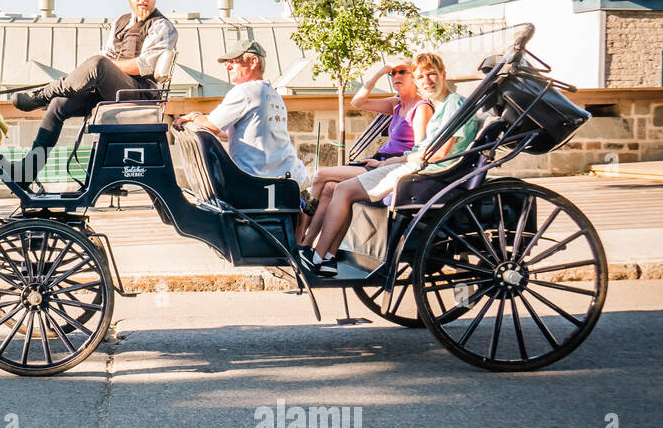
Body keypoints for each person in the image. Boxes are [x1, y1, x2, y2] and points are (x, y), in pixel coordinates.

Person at [302, 51, 479, 276]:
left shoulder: (449, 105)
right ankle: (323, 255)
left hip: (423, 172)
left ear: (443, 74)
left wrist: (397, 160)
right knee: (335, 188)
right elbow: (424, 149)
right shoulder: (438, 104)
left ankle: (317, 255)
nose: (427, 81)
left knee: (341, 188)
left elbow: (438, 154)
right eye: (421, 76)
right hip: (410, 165)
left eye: (432, 75)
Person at [9, 0, 176, 188]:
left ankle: (43, 95)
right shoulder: (121, 22)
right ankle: (27, 172)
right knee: (59, 105)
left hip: (138, 92)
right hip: (110, 89)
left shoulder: (162, 26)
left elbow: (142, 65)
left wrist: (103, 68)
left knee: (98, 64)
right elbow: (107, 52)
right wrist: (91, 76)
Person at [298, 57, 432, 240]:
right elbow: (357, 101)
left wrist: (384, 163)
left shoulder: (421, 107)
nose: (396, 76)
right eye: (393, 73)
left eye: (402, 72)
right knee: (329, 187)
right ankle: (306, 243)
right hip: (379, 159)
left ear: (414, 76)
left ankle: (300, 234)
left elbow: (419, 149)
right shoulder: (396, 104)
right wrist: (380, 72)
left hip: (392, 165)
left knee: (321, 174)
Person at [173, 38, 310, 186]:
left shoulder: (246, 91)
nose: (228, 67)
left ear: (253, 62)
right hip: (290, 175)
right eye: (227, 63)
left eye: (233, 62)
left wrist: (192, 116)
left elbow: (212, 124)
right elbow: (249, 133)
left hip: (259, 180)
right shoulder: (272, 93)